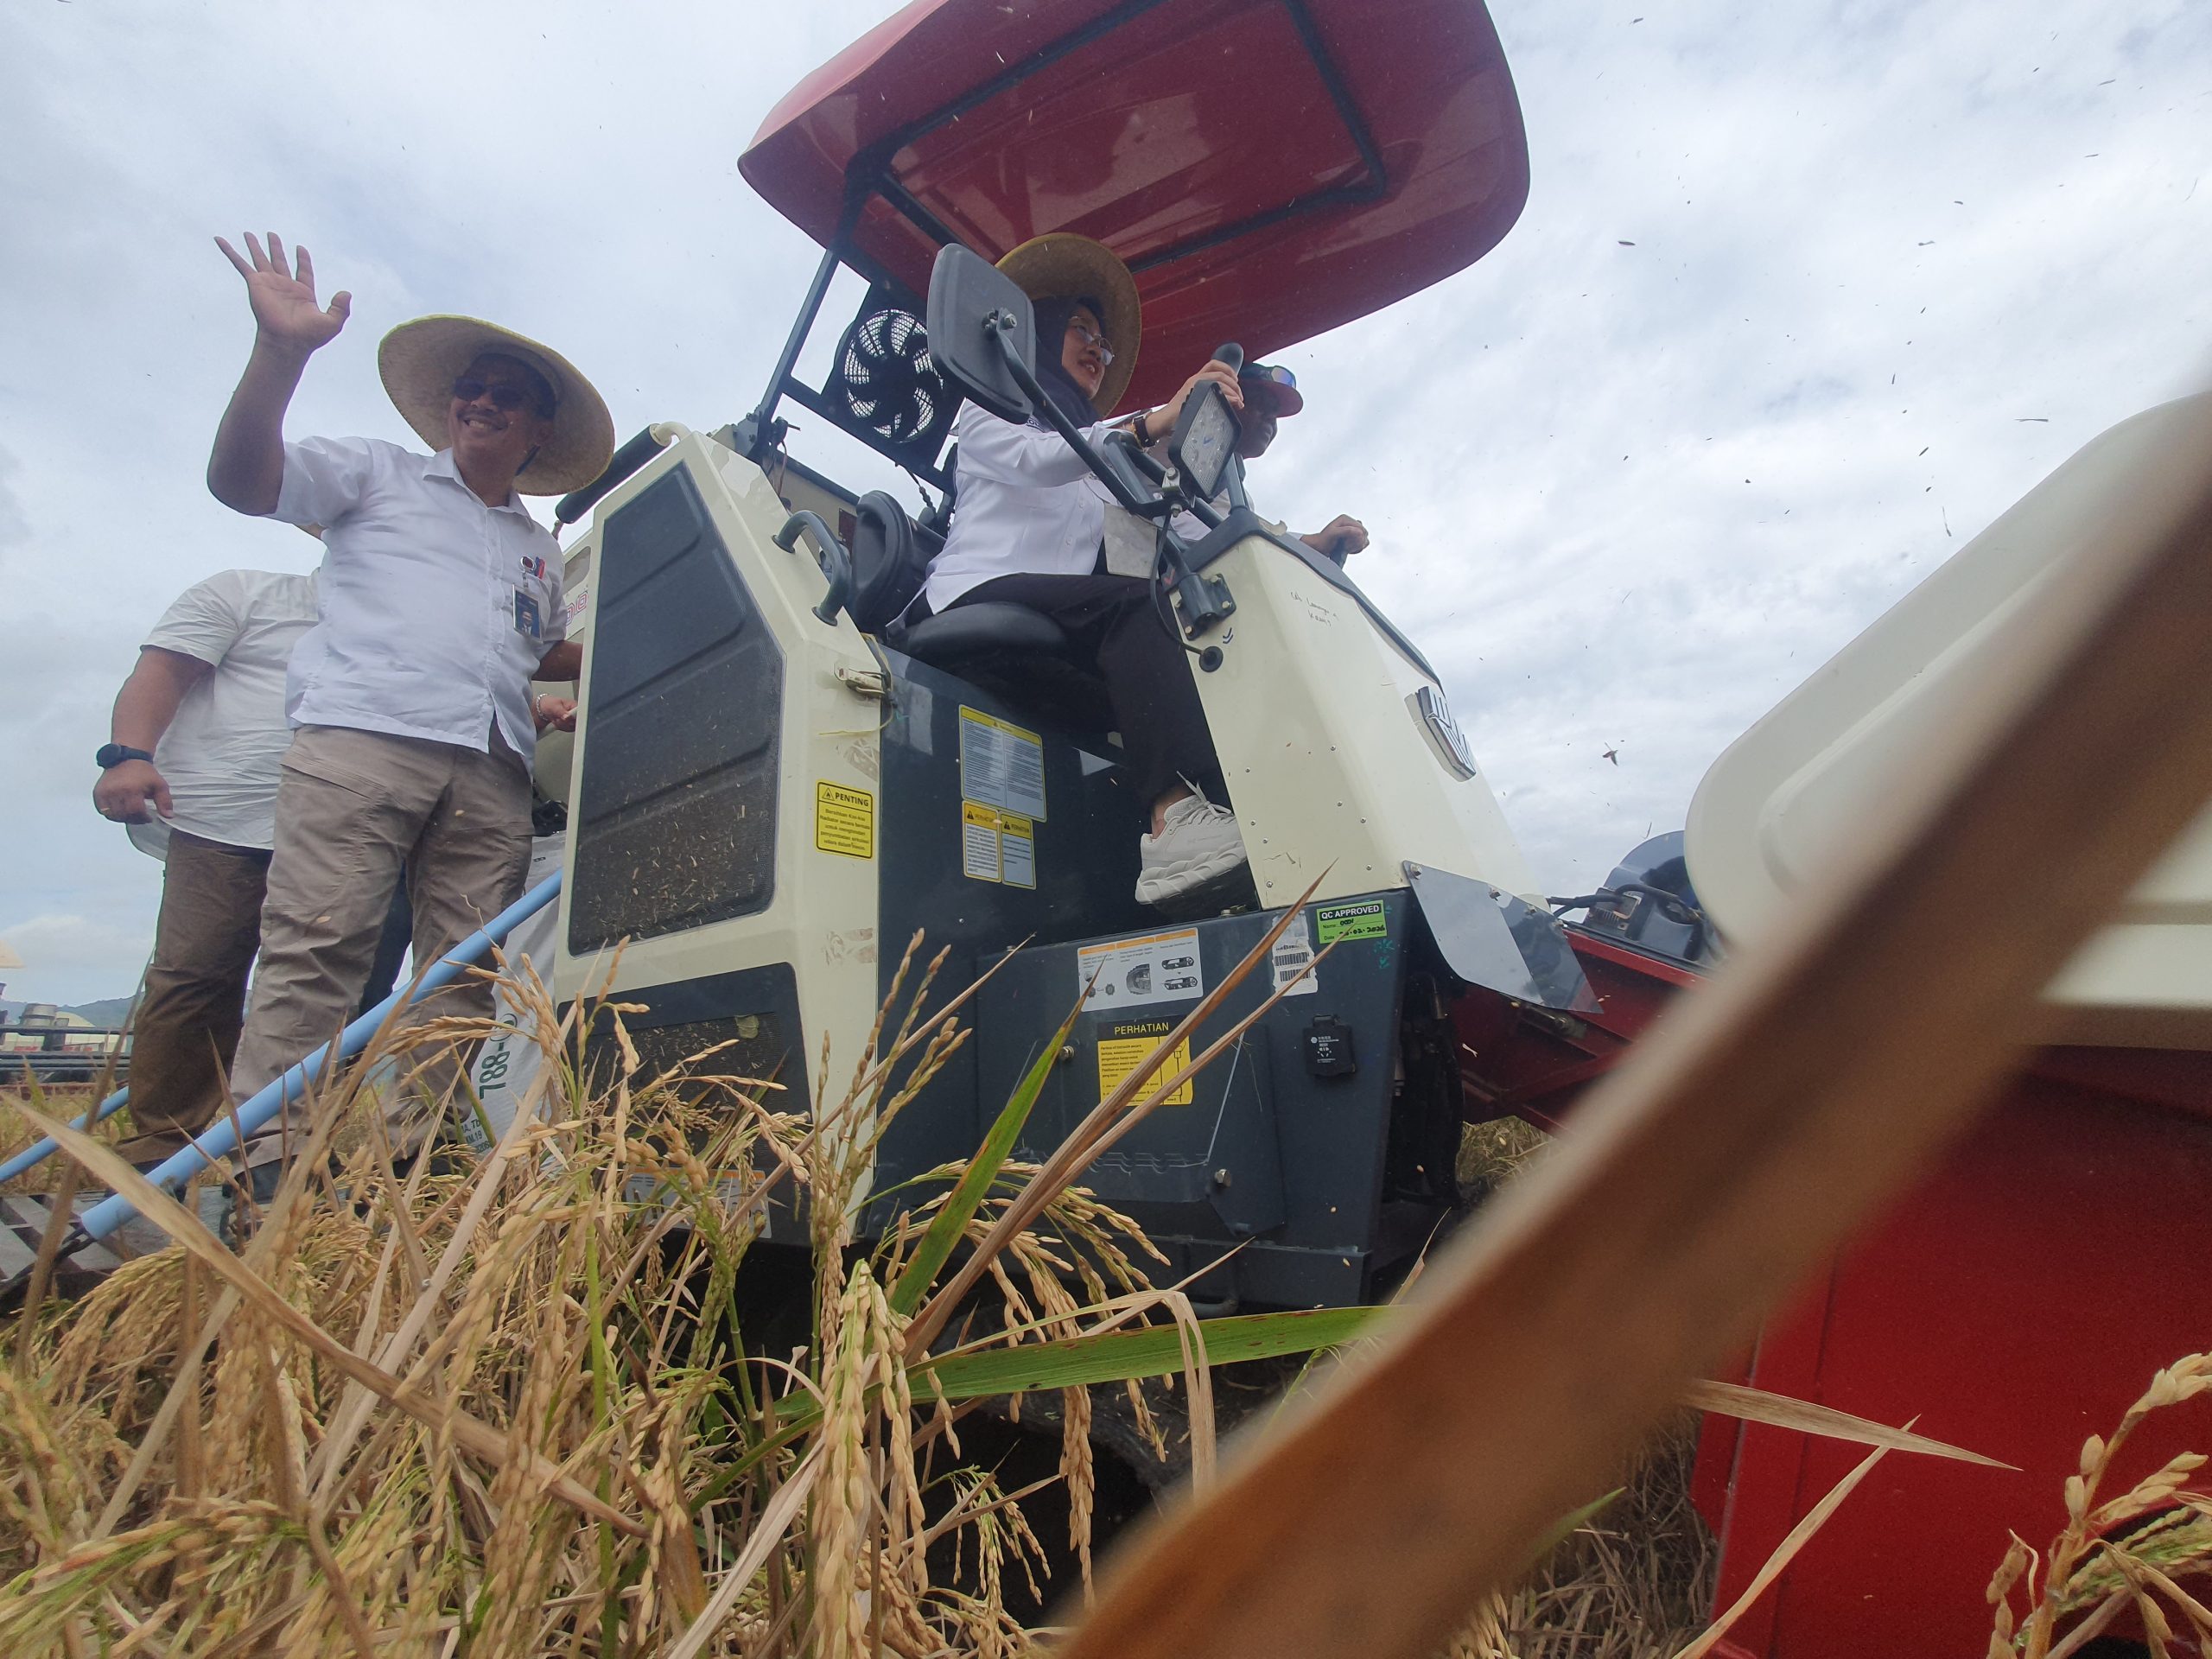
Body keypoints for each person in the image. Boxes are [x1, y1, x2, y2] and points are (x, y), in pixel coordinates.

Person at [204, 230, 612, 1179]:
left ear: (537, 430)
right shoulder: (374, 473)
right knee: (317, 956)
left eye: (505, 394)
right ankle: (261, 1181)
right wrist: (282, 353)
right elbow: (240, 482)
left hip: (490, 774)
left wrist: (613, 652)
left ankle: (402, 1177)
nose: (479, 401)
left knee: (462, 979)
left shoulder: (537, 548)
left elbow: (527, 646)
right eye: (471, 387)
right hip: (361, 744)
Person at [918, 234, 1249, 908]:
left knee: (1188, 661)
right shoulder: (989, 411)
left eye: (1103, 340)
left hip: (1050, 625)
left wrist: (1278, 538)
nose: (1099, 350)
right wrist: (1152, 421)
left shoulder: (1100, 448)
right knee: (1133, 606)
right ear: (1031, 335)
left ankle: (1204, 827)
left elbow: (1175, 520)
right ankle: (1170, 825)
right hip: (973, 595)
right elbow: (1042, 459)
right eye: (1080, 329)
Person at [1226, 361, 1368, 564]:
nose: (1270, 419)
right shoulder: (1184, 454)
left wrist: (1315, 542)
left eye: (1274, 413)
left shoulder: (1236, 493)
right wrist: (1313, 542)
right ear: (1227, 401)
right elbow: (1218, 538)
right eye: (1259, 403)